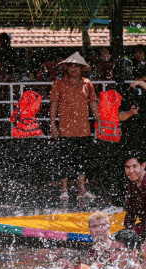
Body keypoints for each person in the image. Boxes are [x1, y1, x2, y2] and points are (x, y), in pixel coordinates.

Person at [50, 52, 100, 200]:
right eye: (70, 66)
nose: (73, 69)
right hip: (65, 129)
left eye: (76, 66)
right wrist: (53, 124)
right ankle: (64, 190)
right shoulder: (59, 83)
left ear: (81, 69)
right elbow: (54, 104)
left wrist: (99, 121)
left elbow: (93, 103)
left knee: (82, 161)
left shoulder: (87, 83)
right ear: (67, 68)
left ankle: (81, 190)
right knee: (64, 160)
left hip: (83, 129)